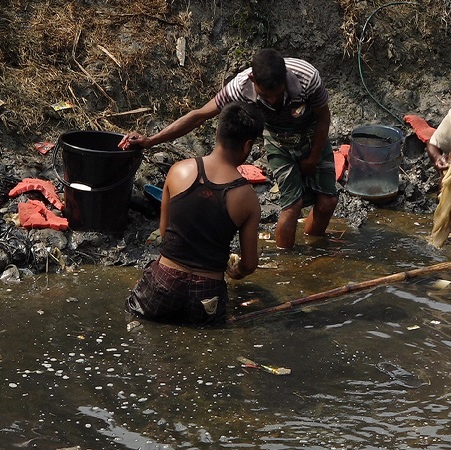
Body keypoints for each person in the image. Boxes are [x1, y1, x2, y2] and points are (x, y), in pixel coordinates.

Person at [120, 48, 338, 249]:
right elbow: (199, 116)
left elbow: (323, 118)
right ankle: (287, 267)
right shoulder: (239, 87)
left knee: (328, 201)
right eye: (265, 96)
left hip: (312, 133)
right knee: (293, 206)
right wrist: (150, 140)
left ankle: (313, 252)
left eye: (277, 94)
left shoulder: (307, 77)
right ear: (253, 80)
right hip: (277, 139)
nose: (272, 100)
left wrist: (314, 155)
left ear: (286, 79)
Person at [125, 102, 264, 325]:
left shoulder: (179, 170)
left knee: (136, 318)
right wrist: (236, 271)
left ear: (217, 132)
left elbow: (164, 230)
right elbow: (249, 264)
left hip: (163, 284)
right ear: (248, 146)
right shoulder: (247, 198)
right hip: (207, 294)